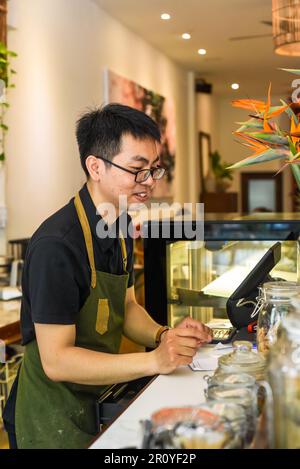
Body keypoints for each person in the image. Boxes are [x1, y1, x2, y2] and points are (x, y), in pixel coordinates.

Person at [3, 104, 212, 449]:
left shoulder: (121, 223)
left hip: (96, 398)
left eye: (153, 171)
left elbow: (126, 307)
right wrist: (152, 360)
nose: (148, 184)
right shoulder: (58, 245)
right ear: (95, 166)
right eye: (136, 170)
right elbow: (57, 361)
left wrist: (165, 335)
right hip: (48, 414)